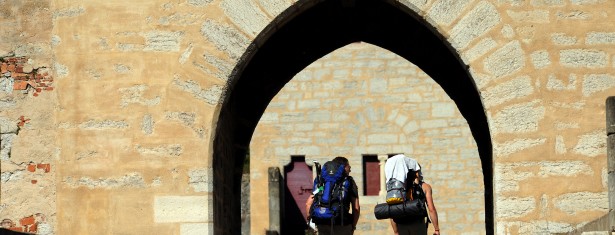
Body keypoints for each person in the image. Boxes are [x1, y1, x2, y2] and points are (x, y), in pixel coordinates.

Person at [305, 156, 360, 235]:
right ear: (343, 167)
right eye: (348, 166)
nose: (350, 169)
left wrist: (312, 224)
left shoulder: (321, 182)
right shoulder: (349, 181)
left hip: (322, 224)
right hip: (342, 225)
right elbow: (356, 208)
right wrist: (353, 226)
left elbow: (308, 204)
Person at [387, 155, 440, 235]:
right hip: (418, 224)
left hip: (402, 225)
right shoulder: (425, 187)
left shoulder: (397, 188)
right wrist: (436, 229)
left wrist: (396, 231)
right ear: (417, 172)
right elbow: (431, 209)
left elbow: (393, 210)